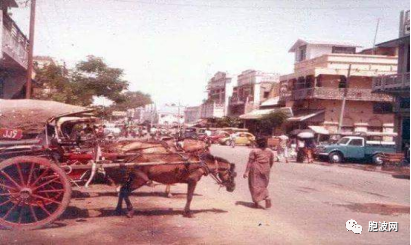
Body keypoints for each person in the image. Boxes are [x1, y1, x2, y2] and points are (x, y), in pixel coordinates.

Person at [243, 138, 274, 209]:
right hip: (266, 167)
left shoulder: (254, 151)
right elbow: (271, 161)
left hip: (256, 168)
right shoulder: (269, 151)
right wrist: (268, 168)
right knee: (263, 184)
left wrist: (246, 172)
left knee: (254, 185)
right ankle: (266, 197)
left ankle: (256, 202)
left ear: (257, 143)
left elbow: (250, 162)